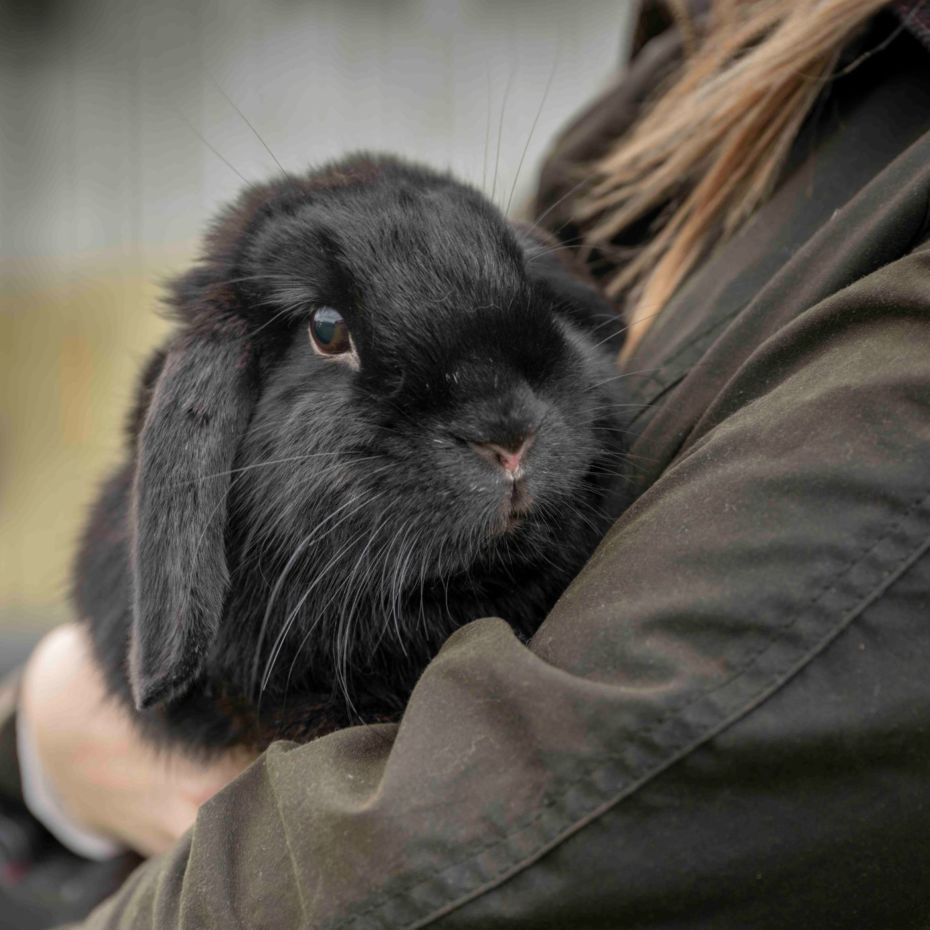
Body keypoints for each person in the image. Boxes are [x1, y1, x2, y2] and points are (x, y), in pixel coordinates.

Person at [3, 0, 930, 926]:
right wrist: (41, 737)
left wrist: (42, 739)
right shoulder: (732, 54)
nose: (503, 431)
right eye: (332, 334)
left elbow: (438, 846)